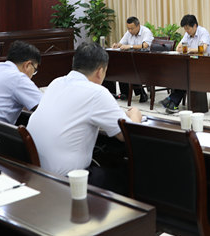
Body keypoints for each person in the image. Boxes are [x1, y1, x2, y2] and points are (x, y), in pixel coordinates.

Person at [28, 42, 141, 191]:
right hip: (66, 182)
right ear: (100, 71)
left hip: (35, 172)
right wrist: (135, 114)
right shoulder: (97, 92)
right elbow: (127, 134)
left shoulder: (56, 82)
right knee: (127, 175)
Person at [160, 14, 210, 112]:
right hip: (193, 63)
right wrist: (188, 50)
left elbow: (203, 49)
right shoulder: (187, 34)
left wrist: (189, 49)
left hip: (206, 64)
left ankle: (172, 100)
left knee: (187, 76)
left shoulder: (203, 32)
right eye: (185, 29)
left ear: (195, 26)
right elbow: (178, 48)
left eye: (188, 28)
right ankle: (173, 102)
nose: (186, 31)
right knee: (181, 74)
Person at [111, 16, 153, 101]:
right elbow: (122, 43)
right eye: (128, 28)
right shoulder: (129, 32)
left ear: (138, 26)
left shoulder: (146, 32)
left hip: (145, 59)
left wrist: (130, 46)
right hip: (132, 59)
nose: (130, 31)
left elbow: (145, 45)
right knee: (120, 68)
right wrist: (117, 45)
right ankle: (125, 93)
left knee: (130, 69)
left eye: (132, 29)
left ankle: (141, 93)